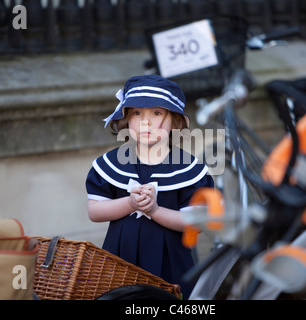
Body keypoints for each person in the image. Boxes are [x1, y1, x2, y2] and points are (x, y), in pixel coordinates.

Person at [85, 74, 214, 299]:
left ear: (175, 121)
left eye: (157, 113)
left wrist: (154, 210)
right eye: (137, 113)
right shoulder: (110, 164)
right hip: (120, 260)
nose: (146, 122)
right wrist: (129, 203)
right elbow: (95, 211)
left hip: (170, 264)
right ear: (126, 120)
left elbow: (195, 224)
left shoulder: (189, 170)